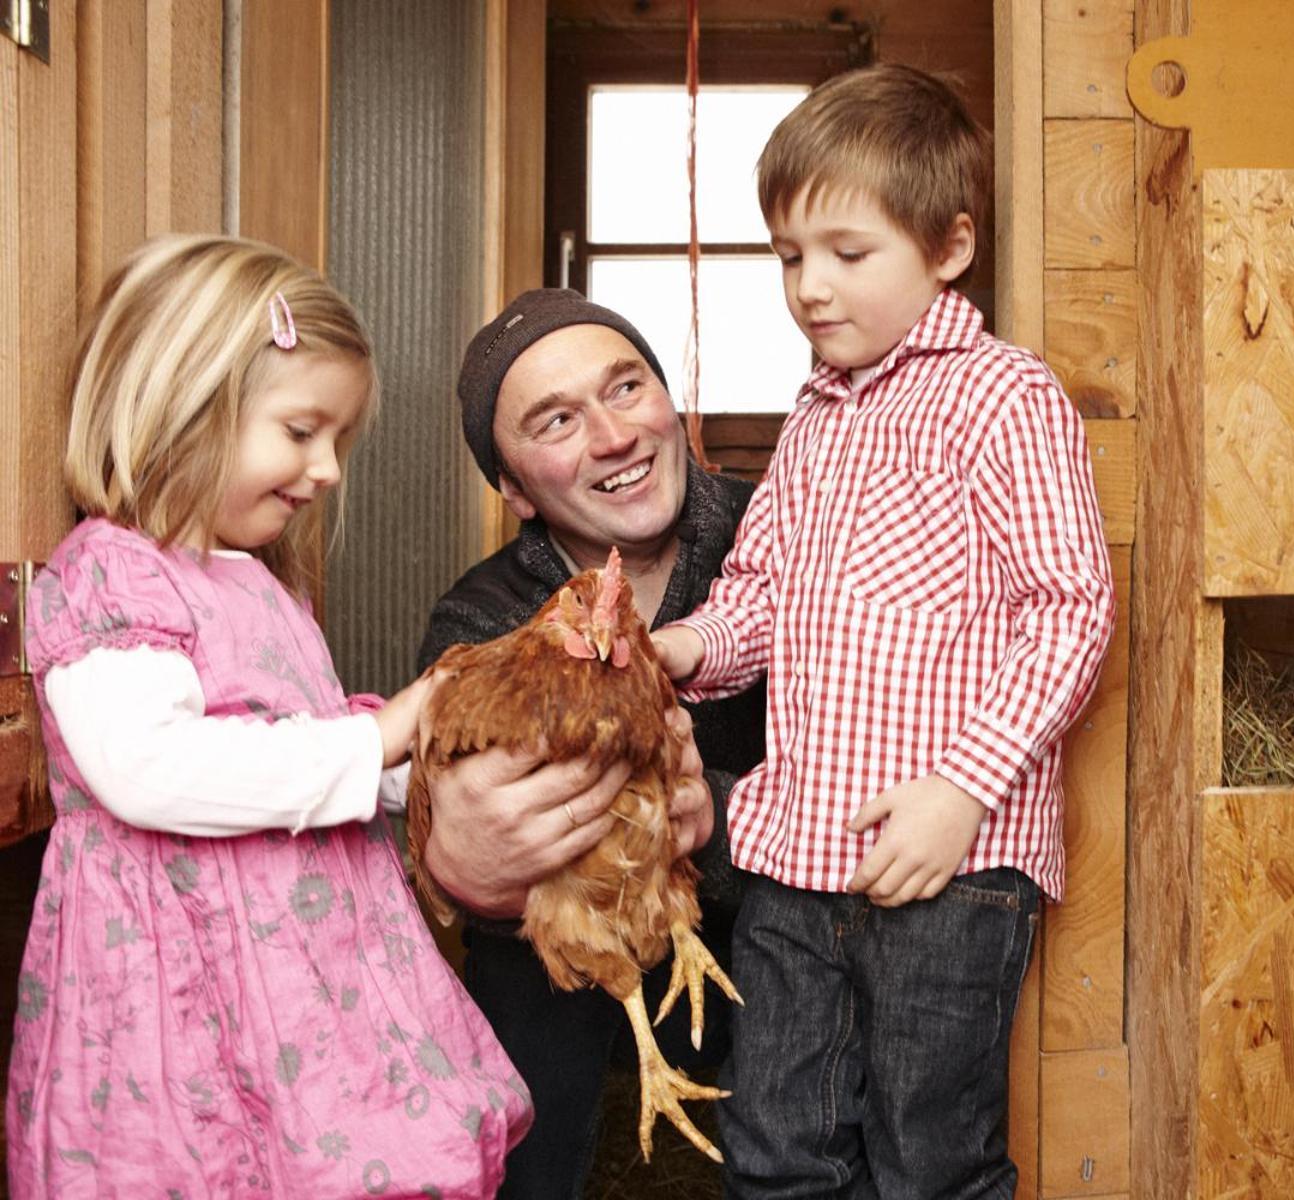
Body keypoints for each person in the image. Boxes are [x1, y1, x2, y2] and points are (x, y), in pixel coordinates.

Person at [652, 64, 1116, 1198]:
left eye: (847, 254)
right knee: (775, 1150)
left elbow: (1071, 610)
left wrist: (961, 789)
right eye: (789, 256)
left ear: (948, 249)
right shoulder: (812, 421)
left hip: (949, 867)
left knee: (929, 1161)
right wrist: (681, 653)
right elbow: (761, 594)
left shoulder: (1003, 397)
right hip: (794, 858)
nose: (810, 286)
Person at [6, 233, 531, 1198]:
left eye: (335, 440)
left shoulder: (259, 580)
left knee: (321, 1153)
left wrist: (423, 771)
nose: (327, 469)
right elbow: (148, 767)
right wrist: (377, 736)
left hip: (297, 976)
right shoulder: (115, 573)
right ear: (185, 408)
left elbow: (291, 741)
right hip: (180, 982)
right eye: (301, 432)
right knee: (206, 1160)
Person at [416, 287, 765, 1197]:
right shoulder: (479, 622)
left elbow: (878, 763)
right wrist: (463, 863)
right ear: (514, 489)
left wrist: (709, 821)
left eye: (626, 388)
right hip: (569, 972)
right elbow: (473, 864)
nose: (614, 437)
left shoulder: (781, 542)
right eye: (559, 420)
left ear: (670, 402)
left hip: (767, 943)